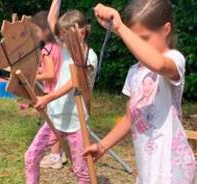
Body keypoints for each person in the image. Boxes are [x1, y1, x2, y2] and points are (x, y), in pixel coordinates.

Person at [83, 1, 196, 184]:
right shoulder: (134, 72)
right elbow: (130, 117)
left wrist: (120, 27)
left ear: (166, 29)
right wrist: (102, 146)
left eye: (143, 38)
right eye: (133, 38)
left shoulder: (174, 59)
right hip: (148, 168)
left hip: (172, 168)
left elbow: (158, 64)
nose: (135, 45)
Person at [24, 0, 98, 183]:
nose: (61, 41)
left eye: (65, 36)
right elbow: (49, 25)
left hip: (76, 123)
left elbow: (76, 82)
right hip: (55, 120)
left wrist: (47, 97)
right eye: (61, 36)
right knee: (30, 157)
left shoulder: (90, 57)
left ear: (82, 32)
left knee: (82, 171)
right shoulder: (64, 50)